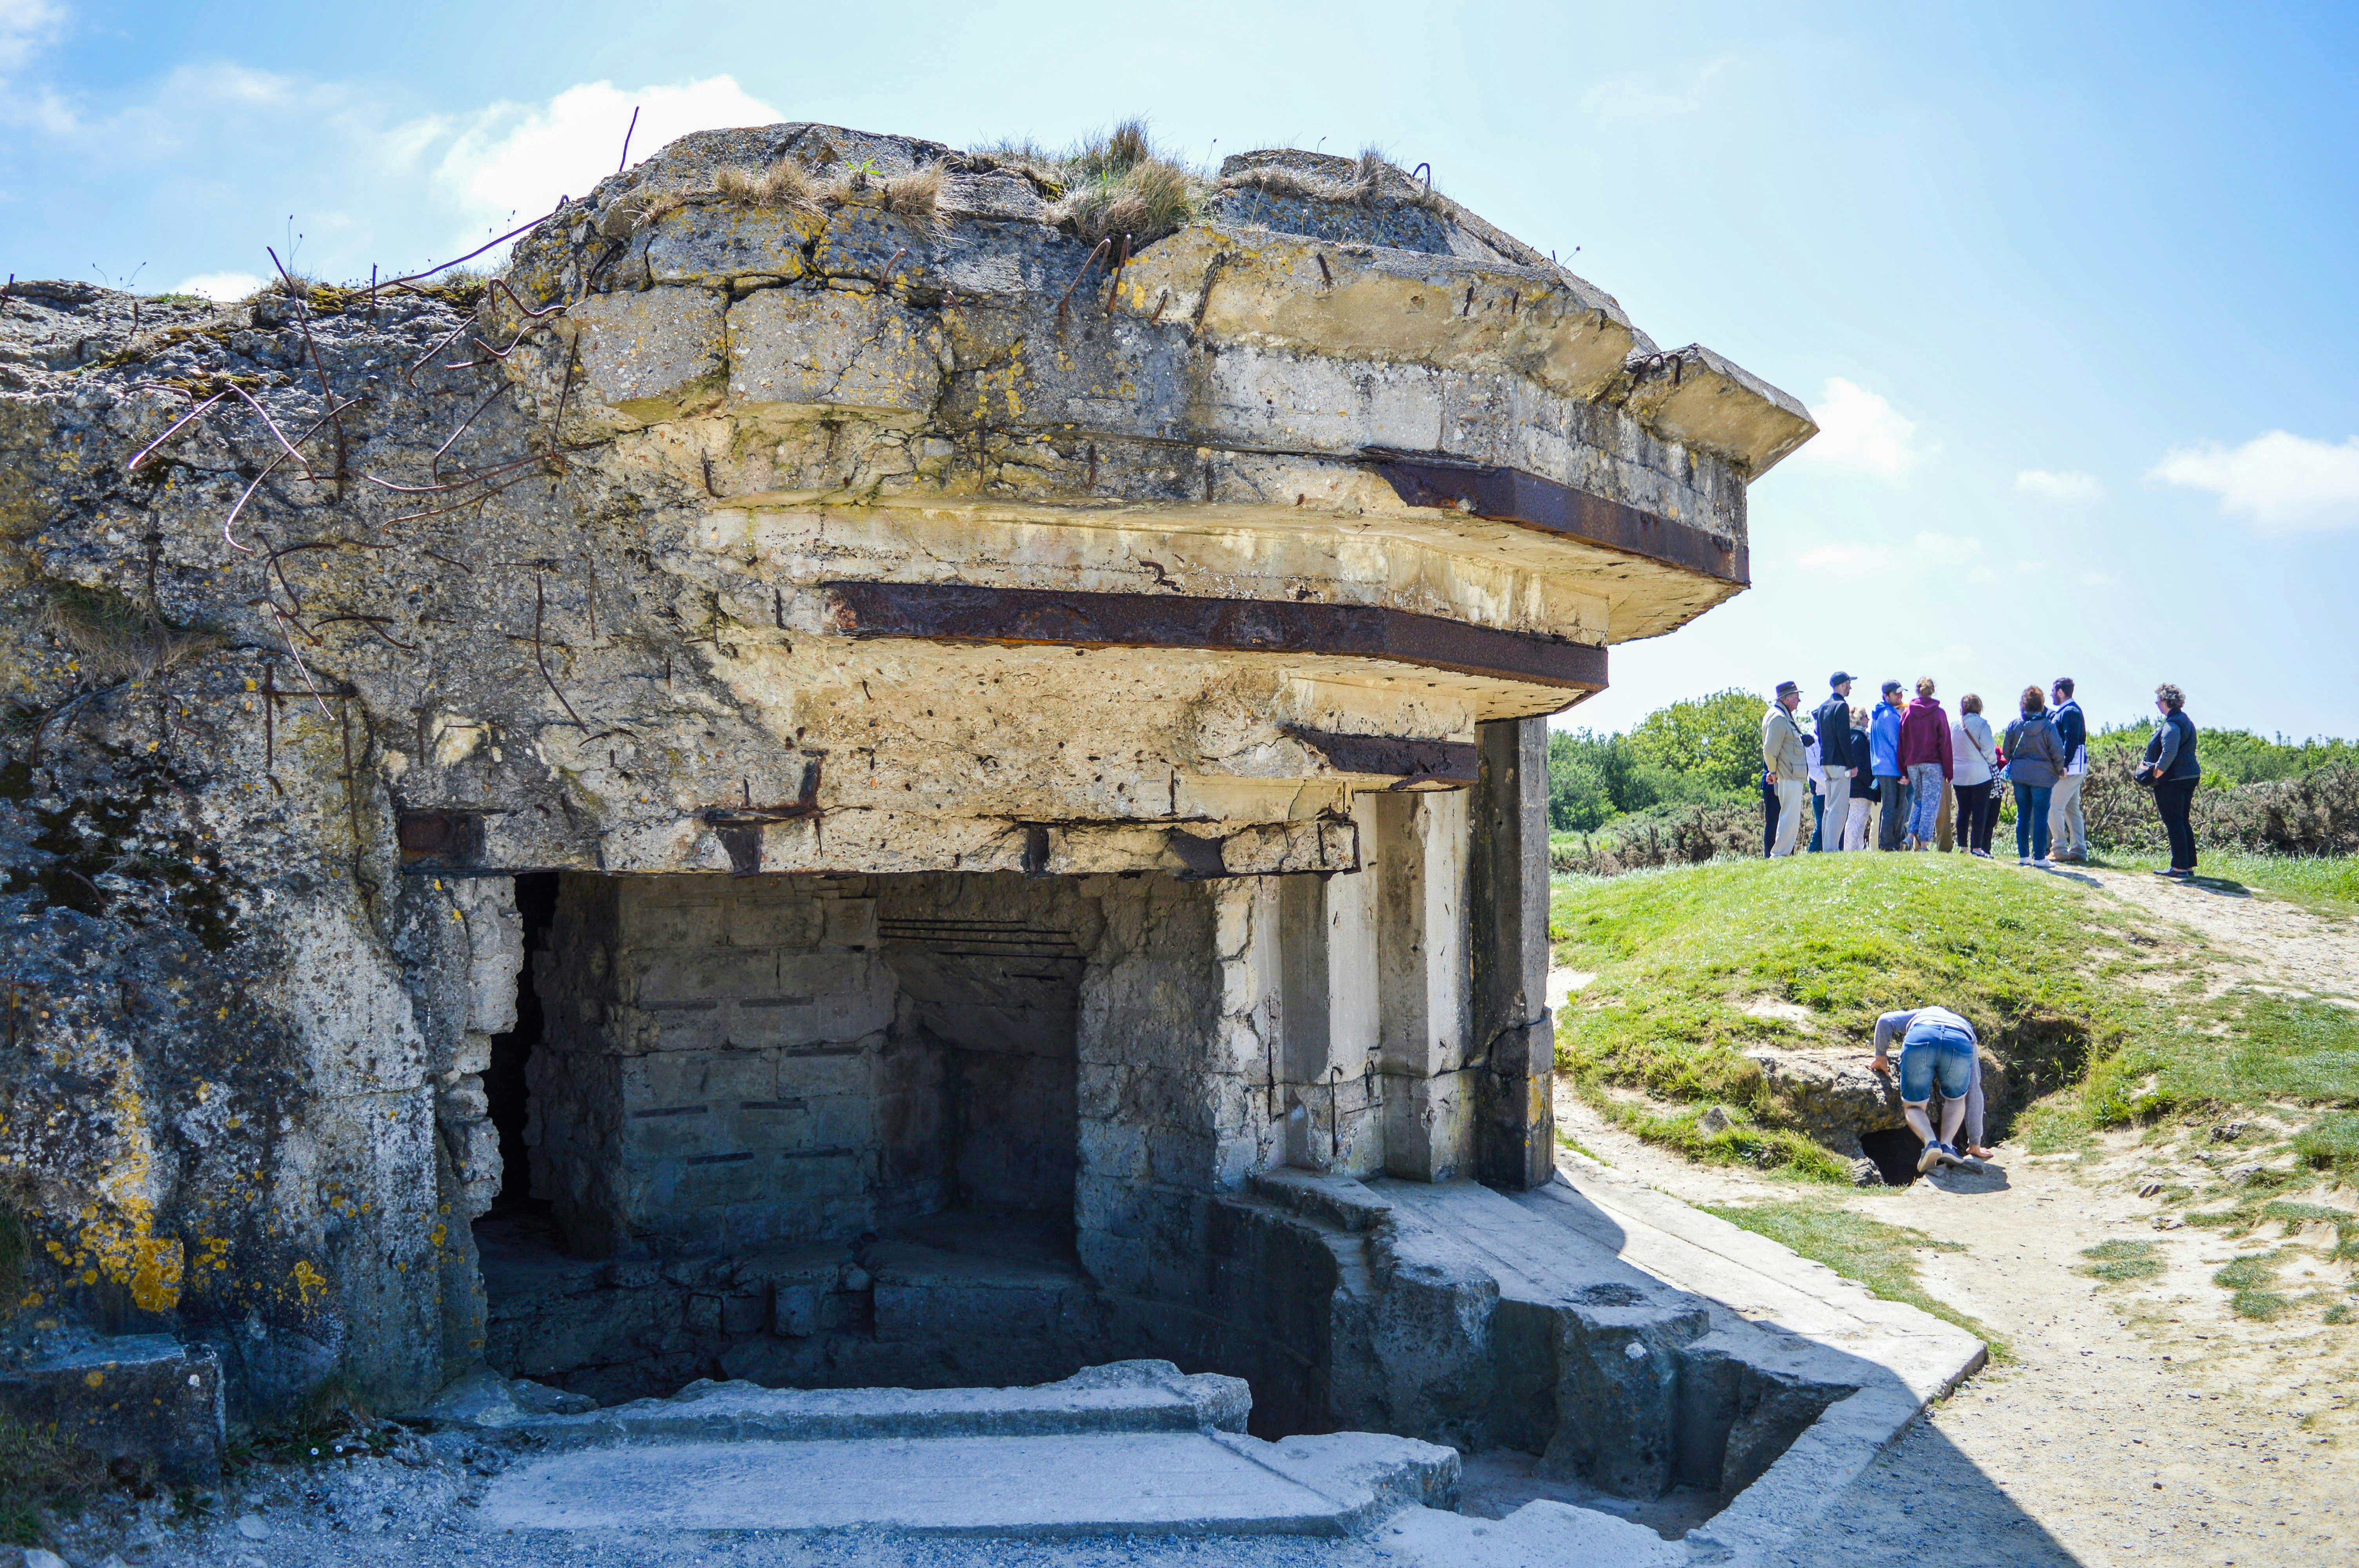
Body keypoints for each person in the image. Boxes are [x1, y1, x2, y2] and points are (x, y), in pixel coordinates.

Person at [1867, 1005, 1985, 1171]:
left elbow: (1885, 1020)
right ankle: (1947, 1146)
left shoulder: (1920, 1014)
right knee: (1956, 1099)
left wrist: (1880, 1057)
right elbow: (1974, 1088)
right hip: (1959, 1040)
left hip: (1921, 1036)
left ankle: (1931, 1143)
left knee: (1914, 1106)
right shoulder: (1963, 1024)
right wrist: (1975, 1143)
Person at [2139, 682, 2201, 879]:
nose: (2157, 704)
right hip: (2189, 775)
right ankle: (2188, 865)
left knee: (2174, 822)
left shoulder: (2172, 723)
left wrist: (2157, 772)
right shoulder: (2186, 721)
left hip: (2173, 779)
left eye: (2158, 700)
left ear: (2166, 701)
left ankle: (2180, 867)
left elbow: (2171, 749)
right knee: (2182, 821)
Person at [2003, 685, 2067, 868]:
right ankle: (2040, 858)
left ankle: (2024, 857)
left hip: (2020, 776)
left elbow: (2007, 751)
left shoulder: (2015, 725)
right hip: (2043, 778)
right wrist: (2059, 769)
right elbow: (2058, 752)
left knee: (2023, 815)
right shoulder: (2048, 726)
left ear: (2023, 704)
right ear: (2041, 705)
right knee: (2041, 817)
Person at [1897, 677, 1954, 852]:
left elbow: (1902, 742)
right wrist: (1949, 771)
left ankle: (1910, 836)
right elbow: (1945, 743)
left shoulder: (1907, 714)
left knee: (1920, 801)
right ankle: (1924, 845)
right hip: (1933, 764)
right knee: (1931, 803)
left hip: (1913, 764)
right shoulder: (1939, 714)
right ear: (1933, 691)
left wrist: (1903, 770)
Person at [1760, 681, 1811, 858]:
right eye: (1797, 697)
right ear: (1787, 698)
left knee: (1788, 816)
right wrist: (1773, 772)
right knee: (1789, 816)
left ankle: (1783, 853)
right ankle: (1780, 854)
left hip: (1788, 773)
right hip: (1787, 774)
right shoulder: (1779, 718)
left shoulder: (1779, 715)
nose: (1799, 701)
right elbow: (1769, 750)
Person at [1814, 674, 1859, 853]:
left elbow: (1819, 733)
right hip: (1840, 763)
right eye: (1848, 684)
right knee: (1838, 809)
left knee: (1829, 807)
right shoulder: (1841, 706)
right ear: (1841, 685)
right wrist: (1852, 763)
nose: (1850, 688)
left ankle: (1828, 846)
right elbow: (1844, 738)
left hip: (1826, 762)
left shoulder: (1823, 707)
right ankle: (1831, 849)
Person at [1950, 693, 1999, 859]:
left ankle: (1963, 846)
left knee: (1963, 810)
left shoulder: (1954, 725)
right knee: (1979, 811)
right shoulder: (1983, 725)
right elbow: (1989, 752)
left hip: (1958, 775)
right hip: (1980, 774)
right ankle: (1977, 847)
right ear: (1980, 709)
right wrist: (1992, 762)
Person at [2048, 678, 2090, 864]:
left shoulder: (2070, 711)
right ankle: (2079, 850)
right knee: (2072, 809)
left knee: (2053, 806)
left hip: (2070, 769)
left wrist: (2063, 765)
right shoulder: (2070, 711)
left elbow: (2071, 740)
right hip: (2075, 768)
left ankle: (2059, 849)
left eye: (2053, 691)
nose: (2051, 695)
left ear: (2060, 692)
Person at [1870, 681, 1908, 850]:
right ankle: (1888, 845)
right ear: (1886, 696)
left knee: (1895, 806)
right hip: (1892, 768)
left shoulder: (1878, 715)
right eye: (1896, 694)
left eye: (1901, 693)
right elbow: (1898, 744)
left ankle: (1891, 844)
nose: (1900, 696)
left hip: (1882, 767)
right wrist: (1904, 770)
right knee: (1895, 807)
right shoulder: (1890, 716)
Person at [1844, 706, 1875, 850]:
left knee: (1861, 821)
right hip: (1860, 788)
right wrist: (1871, 782)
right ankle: (1850, 850)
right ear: (1858, 719)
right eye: (1865, 716)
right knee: (1855, 820)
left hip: (1861, 787)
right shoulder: (1857, 738)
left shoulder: (1857, 737)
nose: (1868, 719)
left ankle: (1857, 850)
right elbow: (1861, 765)